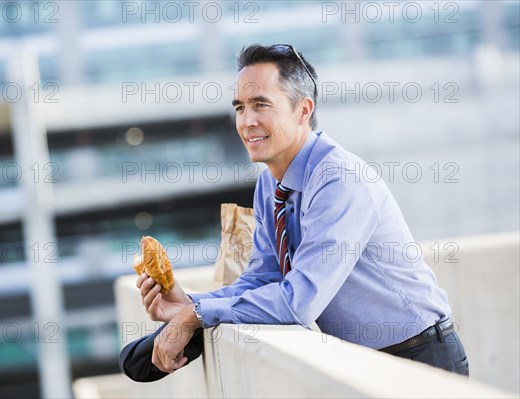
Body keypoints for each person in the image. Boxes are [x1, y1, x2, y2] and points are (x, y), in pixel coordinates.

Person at [136, 43, 469, 376]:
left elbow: (299, 301)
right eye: (239, 108)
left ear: (303, 110)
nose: (247, 121)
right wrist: (190, 304)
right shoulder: (269, 184)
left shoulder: (339, 180)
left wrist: (197, 316)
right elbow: (264, 277)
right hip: (362, 364)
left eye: (260, 104)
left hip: (420, 357)